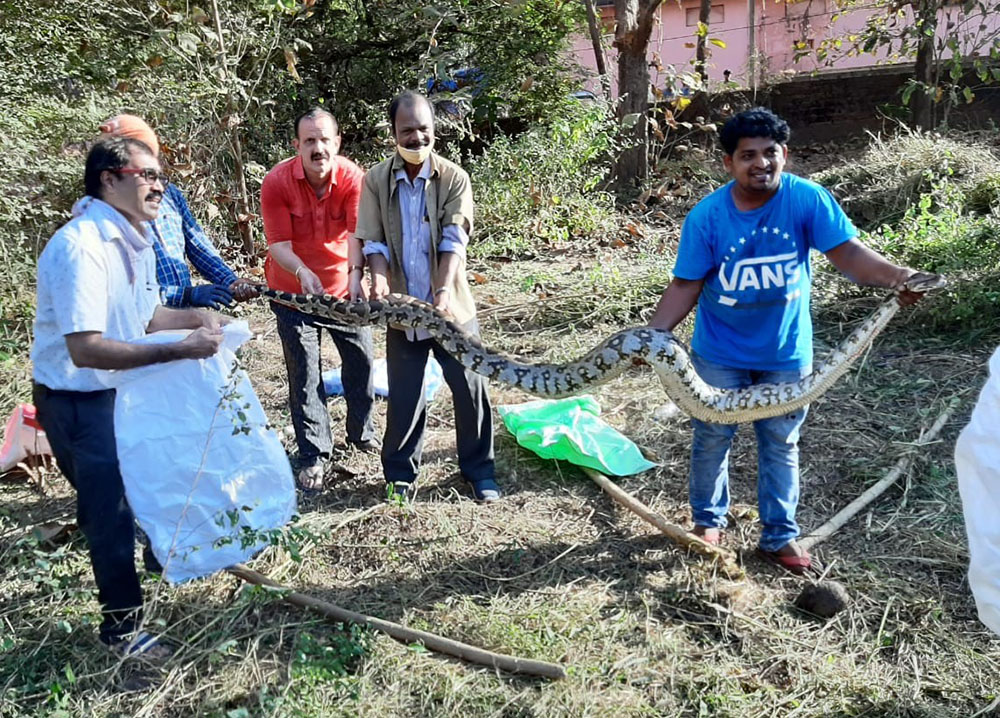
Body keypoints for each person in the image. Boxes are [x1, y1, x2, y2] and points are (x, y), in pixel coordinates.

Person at [648, 107, 926, 574]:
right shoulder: (707, 217)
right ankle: (707, 524)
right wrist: (652, 339)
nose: (761, 163)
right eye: (748, 155)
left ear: (786, 155)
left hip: (785, 351)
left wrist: (901, 276)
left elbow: (849, 256)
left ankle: (779, 537)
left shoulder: (807, 200)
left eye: (770, 153)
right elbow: (685, 285)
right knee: (712, 437)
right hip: (720, 352)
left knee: (781, 442)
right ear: (728, 163)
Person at [31, 136, 226, 657]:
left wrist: (201, 319)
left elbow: (145, 317)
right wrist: (181, 350)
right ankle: (122, 629)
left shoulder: (134, 237)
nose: (159, 184)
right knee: (108, 512)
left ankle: (160, 560)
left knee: (150, 476)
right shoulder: (82, 248)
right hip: (78, 399)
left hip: (121, 391)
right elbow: (87, 349)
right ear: (109, 179)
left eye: (160, 175)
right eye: (146, 174)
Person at [356, 91, 500, 503]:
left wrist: (441, 294)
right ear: (393, 134)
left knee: (469, 386)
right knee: (404, 393)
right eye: (407, 131)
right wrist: (380, 283)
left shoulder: (454, 178)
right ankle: (400, 476)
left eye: (424, 130)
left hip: (449, 307)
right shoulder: (376, 181)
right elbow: (375, 243)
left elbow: (454, 240)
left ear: (434, 131)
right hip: (404, 311)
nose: (417, 138)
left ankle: (479, 472)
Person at [260, 107, 378, 492]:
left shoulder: (352, 178)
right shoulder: (277, 182)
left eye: (324, 139)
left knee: (360, 362)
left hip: (343, 289)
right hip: (293, 291)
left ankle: (362, 434)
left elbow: (357, 235)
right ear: (297, 146)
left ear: (336, 142)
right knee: (305, 372)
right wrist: (301, 272)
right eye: (309, 140)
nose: (318, 148)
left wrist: (360, 275)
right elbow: (277, 244)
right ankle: (314, 452)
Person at [99, 114, 258, 309]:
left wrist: (229, 280)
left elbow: (197, 244)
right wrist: (185, 295)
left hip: (180, 319)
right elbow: (127, 293)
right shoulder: (104, 219)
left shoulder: (169, 194)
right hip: (142, 327)